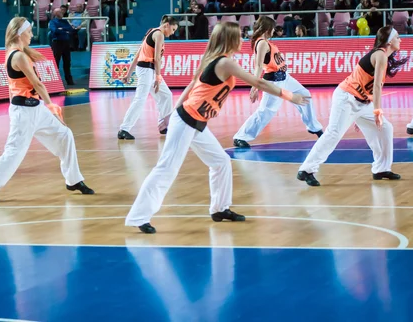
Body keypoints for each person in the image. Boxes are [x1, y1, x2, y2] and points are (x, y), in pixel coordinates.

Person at [125, 22, 309, 234]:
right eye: (239, 36)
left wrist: (173, 111)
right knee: (166, 169)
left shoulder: (215, 58)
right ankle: (139, 216)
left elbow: (192, 84)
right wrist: (290, 95)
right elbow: (259, 83)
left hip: (197, 123)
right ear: (230, 39)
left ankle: (220, 209)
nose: (242, 40)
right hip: (186, 121)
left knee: (221, 162)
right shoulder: (224, 63)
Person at [0, 17, 94, 202]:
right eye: (29, 32)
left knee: (64, 135)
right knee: (14, 153)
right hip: (24, 113)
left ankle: (73, 180)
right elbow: (37, 83)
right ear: (20, 34)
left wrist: (46, 107)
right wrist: (52, 106)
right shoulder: (18, 55)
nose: (32, 35)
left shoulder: (20, 53)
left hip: (36, 108)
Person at [297, 26, 407, 186]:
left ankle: (381, 168)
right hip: (346, 98)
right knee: (333, 133)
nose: (400, 40)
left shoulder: (382, 56)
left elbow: (369, 87)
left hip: (362, 102)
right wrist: (377, 111)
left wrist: (362, 114)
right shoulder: (380, 55)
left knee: (386, 128)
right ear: (389, 41)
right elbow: (377, 87)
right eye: (397, 37)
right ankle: (306, 169)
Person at [233, 16, 323, 148]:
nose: (274, 30)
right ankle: (240, 137)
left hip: (285, 77)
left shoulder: (265, 42)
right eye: (273, 28)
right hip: (274, 81)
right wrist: (254, 87)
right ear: (267, 28)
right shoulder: (262, 43)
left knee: (305, 95)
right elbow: (258, 66)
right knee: (265, 111)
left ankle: (313, 126)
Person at [117, 16, 177, 140]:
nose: (173, 33)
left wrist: (129, 74)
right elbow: (157, 58)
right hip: (146, 70)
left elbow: (138, 54)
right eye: (173, 29)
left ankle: (163, 125)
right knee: (140, 99)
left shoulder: (151, 31)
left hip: (148, 70)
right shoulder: (159, 35)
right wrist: (158, 77)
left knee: (166, 95)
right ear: (166, 25)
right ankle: (124, 129)